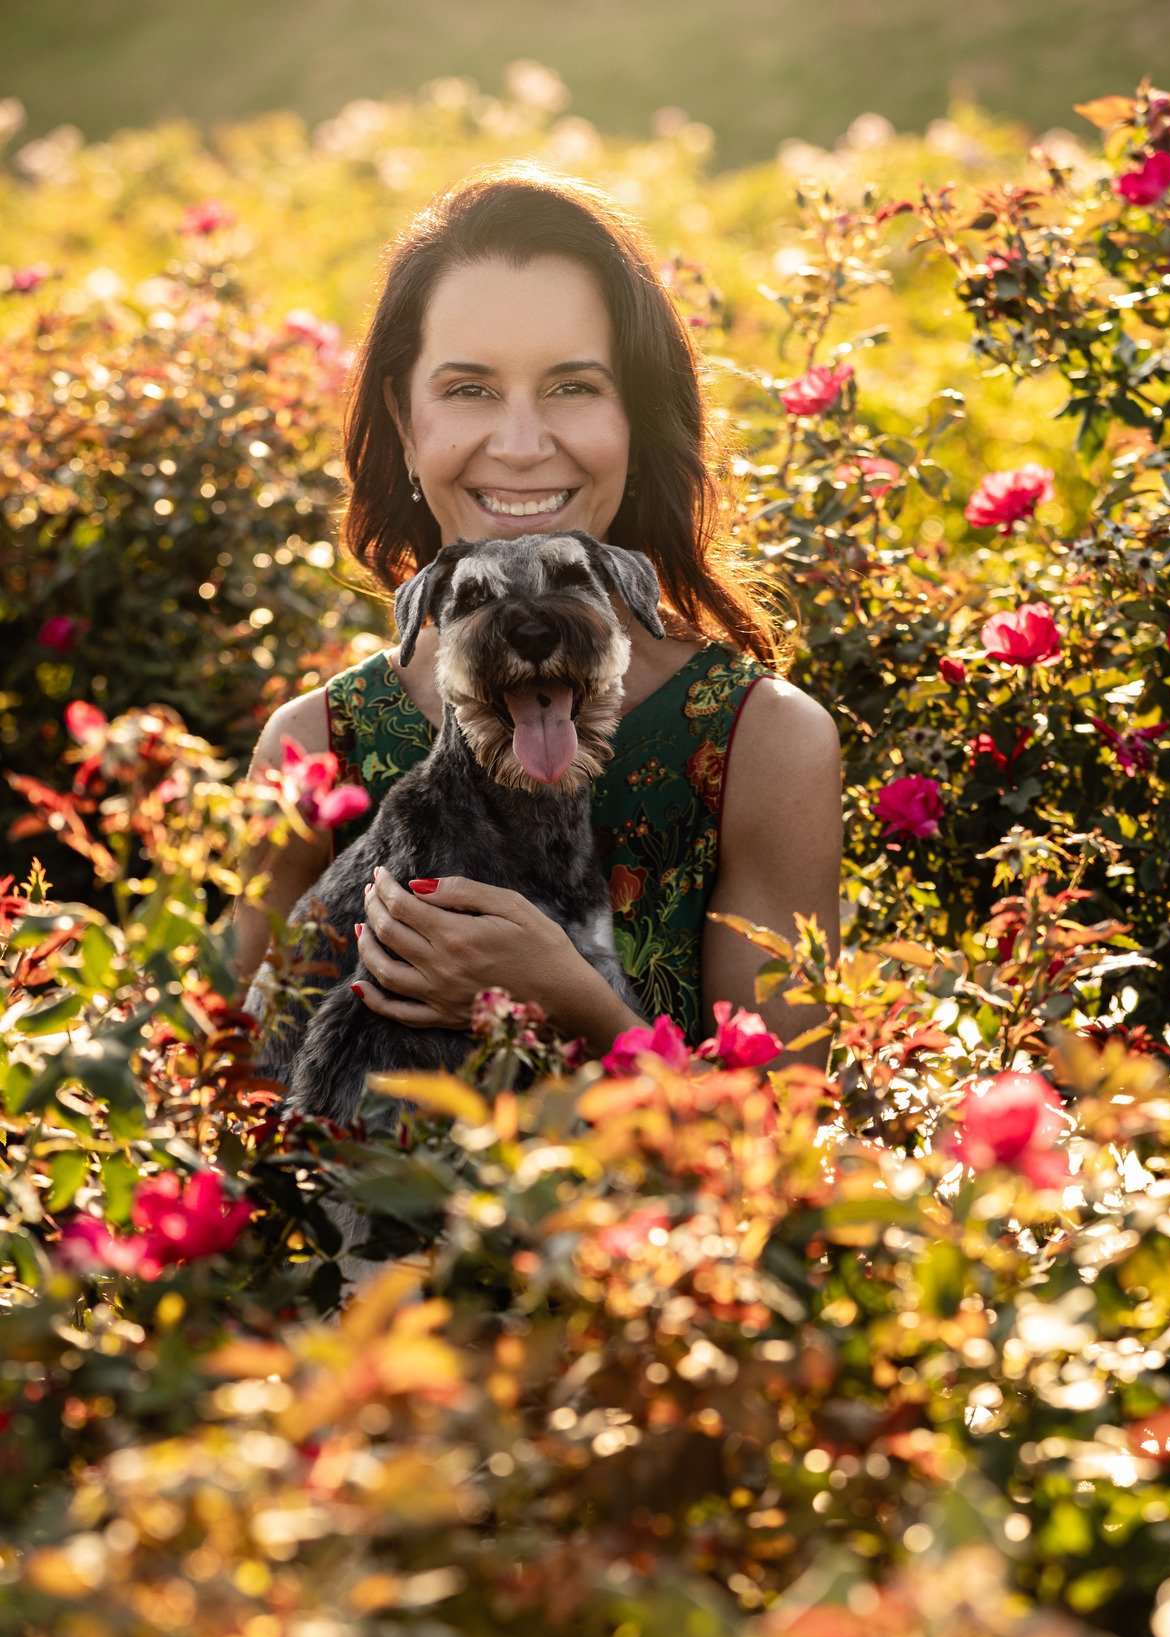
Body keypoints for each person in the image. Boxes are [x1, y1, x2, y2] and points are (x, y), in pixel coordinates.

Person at [237, 167, 842, 1063]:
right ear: (405, 427)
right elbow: (217, 1094)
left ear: (637, 422)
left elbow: (783, 1137)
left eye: (572, 388)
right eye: (469, 390)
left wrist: (576, 1003)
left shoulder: (764, 744)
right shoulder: (316, 745)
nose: (521, 447)